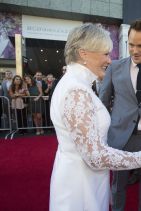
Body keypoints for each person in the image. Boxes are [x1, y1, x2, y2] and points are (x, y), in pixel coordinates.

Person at [49, 23, 141, 211]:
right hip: (80, 186)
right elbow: (95, 156)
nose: (109, 60)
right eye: (105, 53)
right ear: (84, 54)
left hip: (83, 177)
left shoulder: (76, 85)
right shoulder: (76, 91)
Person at [99, 19, 141, 211]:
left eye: (140, 45)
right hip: (121, 138)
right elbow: (102, 104)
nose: (135, 50)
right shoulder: (115, 68)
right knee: (118, 186)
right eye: (131, 44)